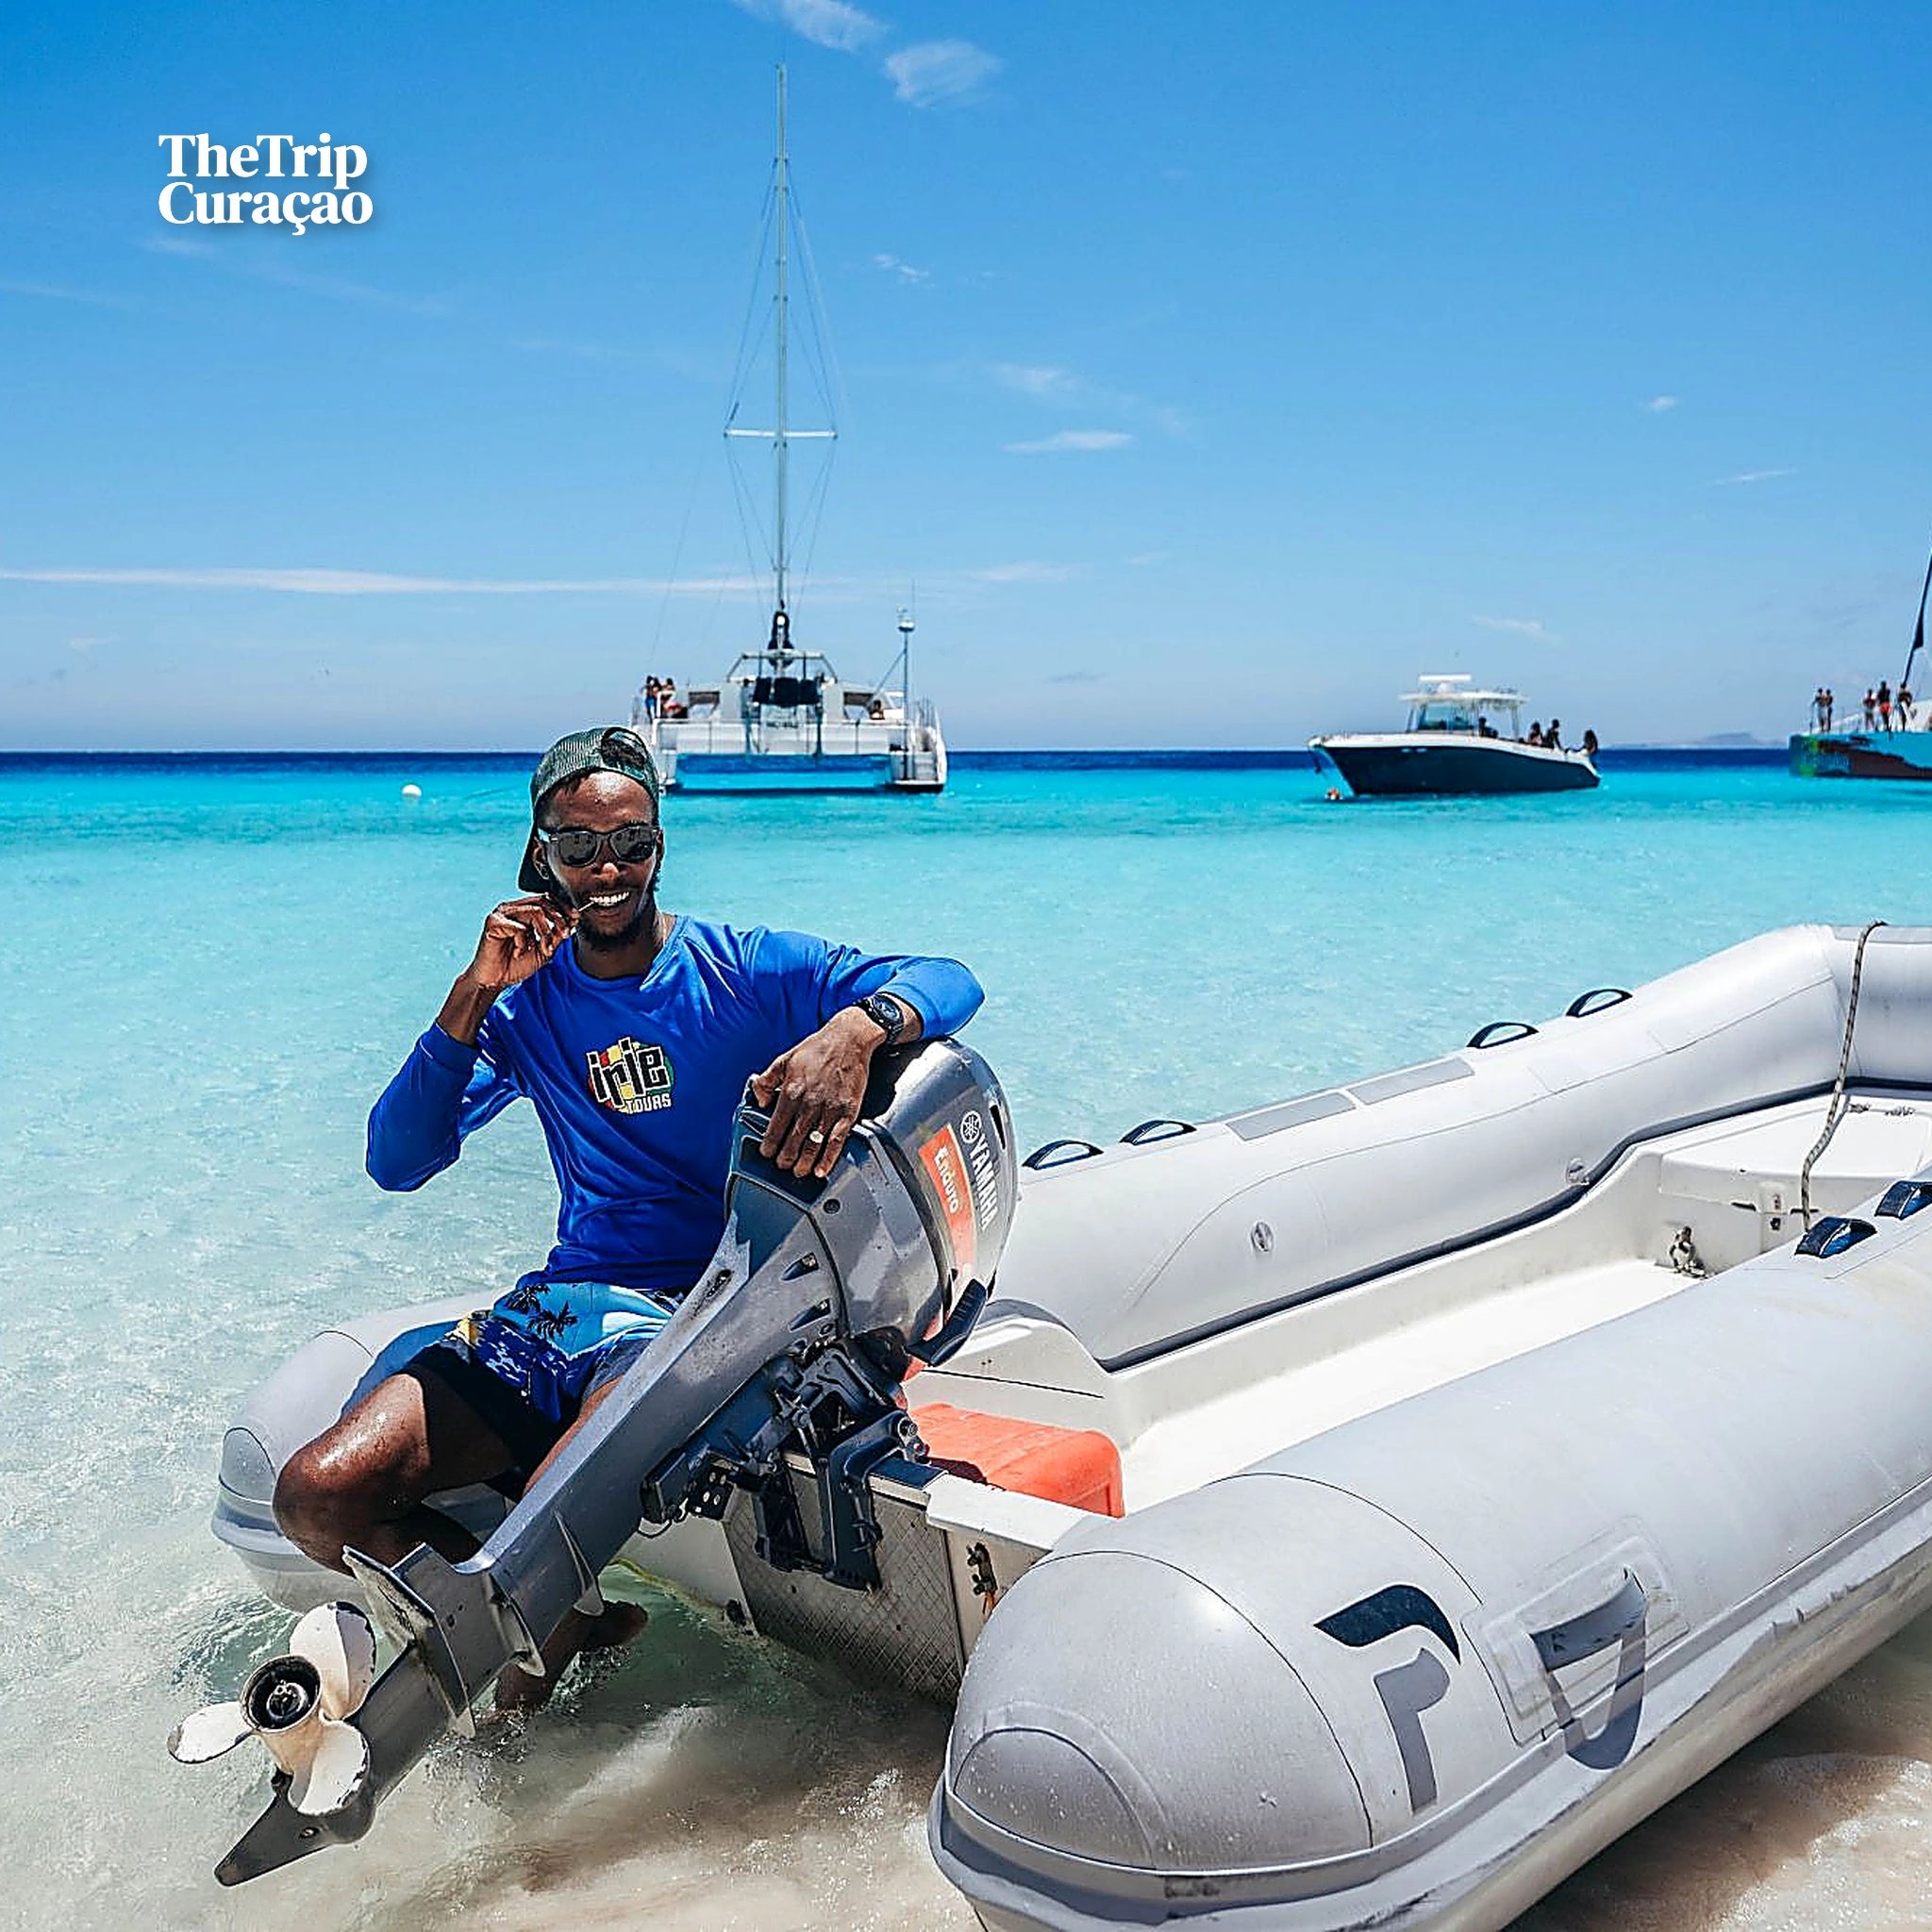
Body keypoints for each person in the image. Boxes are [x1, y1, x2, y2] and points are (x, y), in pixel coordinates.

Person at [273, 724, 983, 1708]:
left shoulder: (741, 966)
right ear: (541, 853)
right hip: (561, 1309)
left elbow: (949, 977)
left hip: (703, 1315)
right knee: (314, 1497)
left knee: (532, 1542)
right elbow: (396, 1161)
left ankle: (530, 1696)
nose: (607, 869)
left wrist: (856, 1030)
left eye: (631, 842)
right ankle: (571, 1620)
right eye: (578, 845)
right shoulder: (524, 1004)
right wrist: (470, 996)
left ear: (659, 843)